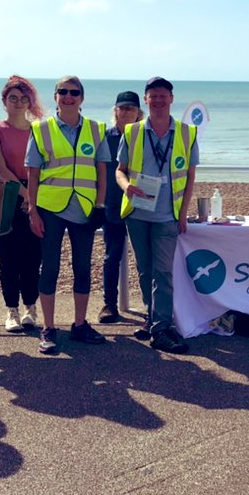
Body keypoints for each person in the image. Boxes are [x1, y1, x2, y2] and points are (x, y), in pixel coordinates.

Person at [113, 76, 199, 354]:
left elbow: (189, 177)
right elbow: (119, 169)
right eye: (153, 95)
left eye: (164, 95)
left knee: (163, 272)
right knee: (145, 270)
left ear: (171, 99)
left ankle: (162, 327)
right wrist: (127, 187)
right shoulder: (133, 132)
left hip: (167, 215)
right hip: (138, 213)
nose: (159, 100)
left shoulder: (187, 133)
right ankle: (153, 320)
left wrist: (183, 214)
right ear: (146, 100)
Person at [26, 76, 108, 354]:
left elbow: (102, 170)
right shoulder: (41, 129)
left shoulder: (97, 129)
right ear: (55, 96)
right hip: (50, 209)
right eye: (63, 92)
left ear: (82, 98)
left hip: (84, 208)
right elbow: (32, 174)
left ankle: (80, 324)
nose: (68, 96)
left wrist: (99, 206)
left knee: (82, 268)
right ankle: (48, 327)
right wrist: (32, 211)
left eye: (74, 92)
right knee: (49, 268)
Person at [0, 75, 45, 333]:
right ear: (4, 102)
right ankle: (12, 310)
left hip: (38, 193)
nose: (18, 103)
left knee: (34, 255)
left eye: (23, 99)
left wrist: (34, 197)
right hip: (8, 195)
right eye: (13, 98)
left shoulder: (39, 129)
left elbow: (46, 165)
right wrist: (25, 195)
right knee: (9, 255)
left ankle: (31, 308)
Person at [98, 90, 144, 329]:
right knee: (111, 256)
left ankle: (153, 306)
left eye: (131, 108)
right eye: (122, 107)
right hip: (113, 205)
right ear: (115, 110)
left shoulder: (145, 135)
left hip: (141, 206)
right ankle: (109, 304)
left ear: (139, 112)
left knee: (145, 259)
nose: (126, 111)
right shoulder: (103, 136)